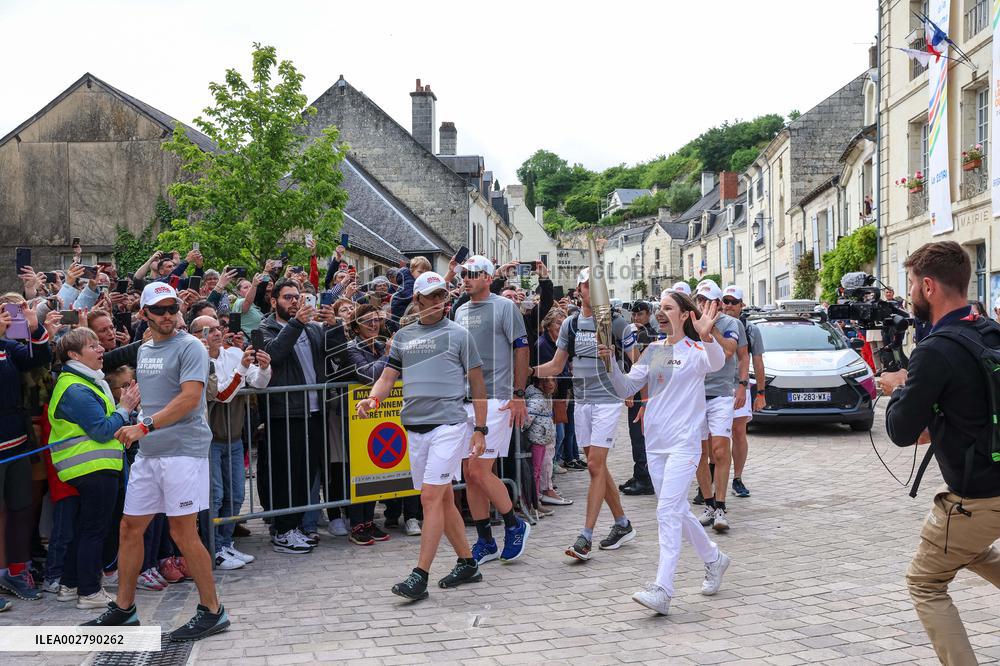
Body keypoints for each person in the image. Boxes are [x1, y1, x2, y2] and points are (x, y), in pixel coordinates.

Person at [84, 282, 229, 642]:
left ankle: (213, 611)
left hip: (183, 450)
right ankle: (124, 609)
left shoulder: (191, 346)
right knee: (130, 528)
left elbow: (189, 399)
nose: (167, 315)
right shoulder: (145, 348)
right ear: (144, 314)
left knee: (182, 531)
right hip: (150, 452)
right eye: (159, 309)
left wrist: (142, 426)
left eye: (172, 309)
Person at [880, 241, 1000, 665]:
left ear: (928, 286)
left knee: (925, 581)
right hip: (996, 482)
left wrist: (899, 388)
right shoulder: (989, 330)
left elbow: (900, 432)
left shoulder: (934, 351)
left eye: (911, 283)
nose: (909, 292)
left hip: (977, 494)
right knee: (969, 549)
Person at [356, 271, 487, 601]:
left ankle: (420, 575)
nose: (441, 302)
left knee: (429, 498)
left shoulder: (459, 335)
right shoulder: (403, 336)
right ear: (417, 300)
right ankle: (468, 563)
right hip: (414, 427)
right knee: (441, 499)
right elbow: (387, 377)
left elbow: (478, 385)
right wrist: (373, 399)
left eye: (443, 296)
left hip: (449, 425)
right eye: (433, 297)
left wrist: (481, 429)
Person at [600, 291, 731, 615]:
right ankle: (714, 559)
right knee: (677, 511)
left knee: (667, 513)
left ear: (685, 314)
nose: (661, 312)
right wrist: (610, 363)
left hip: (685, 445)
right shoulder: (655, 351)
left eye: (668, 308)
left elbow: (718, 362)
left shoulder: (698, 351)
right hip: (655, 445)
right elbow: (626, 388)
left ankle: (663, 589)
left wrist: (707, 335)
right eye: (660, 307)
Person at [533, 268, 638, 562]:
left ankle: (585, 537)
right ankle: (622, 523)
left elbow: (639, 363)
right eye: (587, 285)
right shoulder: (570, 324)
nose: (592, 290)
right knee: (598, 468)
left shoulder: (618, 324)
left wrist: (628, 387)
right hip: (582, 402)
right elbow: (556, 365)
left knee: (594, 465)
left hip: (607, 401)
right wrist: (526, 372)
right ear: (579, 289)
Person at [47, 328, 140, 609]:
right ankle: (89, 592)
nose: (100, 350)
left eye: (99, 344)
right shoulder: (75, 387)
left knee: (84, 528)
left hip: (94, 466)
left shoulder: (82, 380)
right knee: (94, 530)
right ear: (74, 355)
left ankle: (70, 583)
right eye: (92, 345)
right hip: (92, 466)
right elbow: (101, 430)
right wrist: (124, 409)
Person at [257, 279, 347, 554]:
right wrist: (296, 324)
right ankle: (282, 530)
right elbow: (273, 354)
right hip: (285, 412)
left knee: (305, 474)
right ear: (273, 302)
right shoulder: (265, 328)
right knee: (286, 474)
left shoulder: (312, 329)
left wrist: (334, 327)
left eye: (297, 297)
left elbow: (338, 356)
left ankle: (294, 526)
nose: (294, 302)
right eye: (287, 297)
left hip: (315, 411)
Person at [453, 256, 530, 565]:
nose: (466, 279)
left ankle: (515, 524)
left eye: (473, 274)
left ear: (487, 277)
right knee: (470, 475)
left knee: (478, 470)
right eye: (463, 274)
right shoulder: (459, 311)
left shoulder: (504, 307)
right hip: (464, 401)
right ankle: (485, 540)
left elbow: (521, 348)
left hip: (496, 398)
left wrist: (519, 394)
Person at [194, 315, 271, 570]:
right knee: (215, 497)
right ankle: (213, 547)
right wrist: (242, 369)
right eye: (209, 329)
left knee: (236, 495)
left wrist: (263, 367)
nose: (217, 332)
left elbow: (258, 383)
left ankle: (225, 543)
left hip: (235, 437)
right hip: (210, 440)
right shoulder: (198, 360)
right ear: (196, 335)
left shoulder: (234, 353)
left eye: (219, 327)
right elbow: (223, 395)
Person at [0, 300, 57, 608]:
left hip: (17, 440)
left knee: (21, 509)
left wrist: (35, 327)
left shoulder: (7, 347)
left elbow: (39, 359)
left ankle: (17, 572)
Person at [693, 282, 745, 532]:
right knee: (700, 453)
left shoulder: (731, 324)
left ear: (716, 303)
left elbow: (730, 351)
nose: (701, 304)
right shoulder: (690, 321)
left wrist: (710, 328)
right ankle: (709, 504)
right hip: (695, 396)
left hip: (721, 395)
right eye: (698, 299)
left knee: (721, 450)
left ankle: (722, 507)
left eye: (706, 300)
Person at [721, 285, 765, 498]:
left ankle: (737, 478)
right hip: (714, 388)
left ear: (741, 305)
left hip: (739, 385)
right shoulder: (712, 324)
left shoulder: (750, 329)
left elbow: (757, 361)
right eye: (725, 301)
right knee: (715, 437)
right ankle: (711, 480)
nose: (728, 305)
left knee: (738, 433)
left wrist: (761, 393)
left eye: (733, 302)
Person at [619, 301, 659, 496]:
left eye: (640, 314)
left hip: (643, 392)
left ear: (649, 313)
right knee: (636, 435)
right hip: (639, 388)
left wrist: (632, 391)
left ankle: (645, 479)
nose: (636, 318)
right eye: (634, 315)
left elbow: (643, 368)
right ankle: (640, 473)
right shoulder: (635, 332)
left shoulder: (647, 334)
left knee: (639, 435)